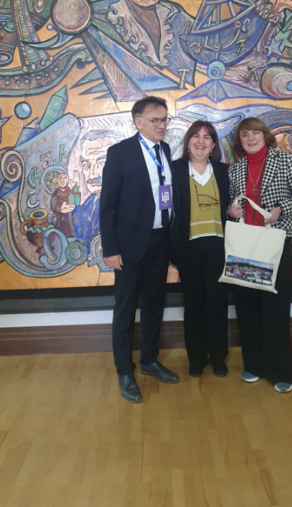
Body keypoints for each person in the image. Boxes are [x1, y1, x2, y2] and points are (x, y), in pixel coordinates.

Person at [99, 96, 179, 403]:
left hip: (160, 242)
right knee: (125, 309)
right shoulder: (120, 153)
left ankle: (149, 360)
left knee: (154, 304)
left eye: (164, 120)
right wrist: (111, 249)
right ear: (138, 122)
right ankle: (124, 371)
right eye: (155, 120)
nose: (161, 125)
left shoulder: (165, 150)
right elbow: (108, 206)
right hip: (130, 245)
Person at [228, 117, 292, 393]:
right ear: (239, 142)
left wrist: (281, 209)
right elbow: (232, 204)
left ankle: (280, 370)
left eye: (255, 133)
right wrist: (231, 211)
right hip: (245, 244)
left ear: (264, 135)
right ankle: (253, 365)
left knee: (275, 307)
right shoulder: (236, 169)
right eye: (244, 135)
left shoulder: (285, 160)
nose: (250, 138)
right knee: (247, 305)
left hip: (275, 242)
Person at [171, 121, 230, 378]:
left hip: (219, 247)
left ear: (213, 145)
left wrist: (233, 212)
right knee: (193, 303)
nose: (201, 141)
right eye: (196, 136)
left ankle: (218, 358)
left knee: (217, 303)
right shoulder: (174, 170)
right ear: (188, 142)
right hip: (188, 247)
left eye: (207, 137)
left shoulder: (224, 171)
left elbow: (232, 206)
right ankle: (196, 358)